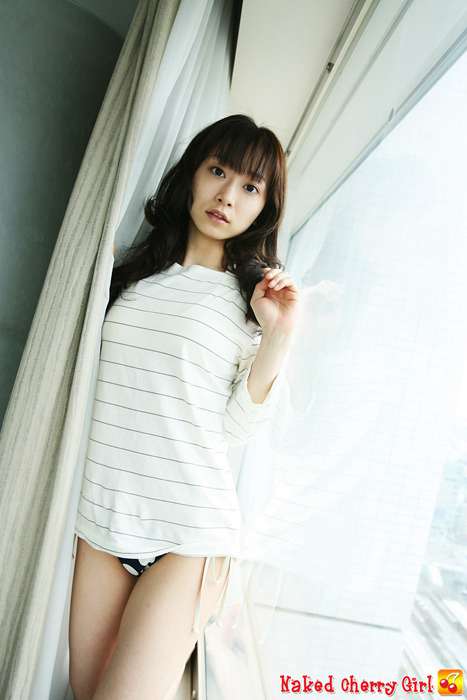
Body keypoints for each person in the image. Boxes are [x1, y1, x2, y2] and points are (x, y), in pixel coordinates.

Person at [68, 113, 300, 700]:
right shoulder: (128, 277)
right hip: (101, 521)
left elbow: (236, 428)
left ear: (264, 208)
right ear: (193, 174)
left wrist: (277, 337)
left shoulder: (250, 306)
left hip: (190, 535)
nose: (227, 196)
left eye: (250, 186)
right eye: (218, 171)